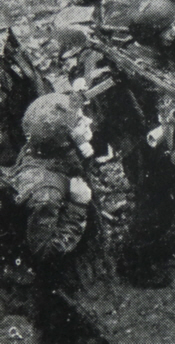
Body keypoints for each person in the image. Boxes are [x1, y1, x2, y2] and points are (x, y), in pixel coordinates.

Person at [106, 0, 175, 287]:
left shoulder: (150, 49)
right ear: (152, 34)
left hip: (158, 139)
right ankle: (134, 264)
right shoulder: (139, 66)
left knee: (169, 197)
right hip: (145, 147)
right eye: (168, 28)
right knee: (155, 204)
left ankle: (157, 249)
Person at [11, 93, 109, 344]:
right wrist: (78, 205)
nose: (87, 120)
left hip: (74, 255)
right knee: (64, 324)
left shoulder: (47, 148)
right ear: (62, 140)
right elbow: (46, 251)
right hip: (61, 271)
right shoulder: (46, 193)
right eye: (78, 122)